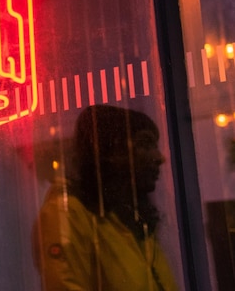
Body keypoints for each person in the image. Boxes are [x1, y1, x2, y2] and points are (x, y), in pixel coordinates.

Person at [32, 104, 178, 290]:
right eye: (144, 144)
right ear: (111, 153)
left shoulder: (130, 218)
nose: (159, 157)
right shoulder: (68, 215)